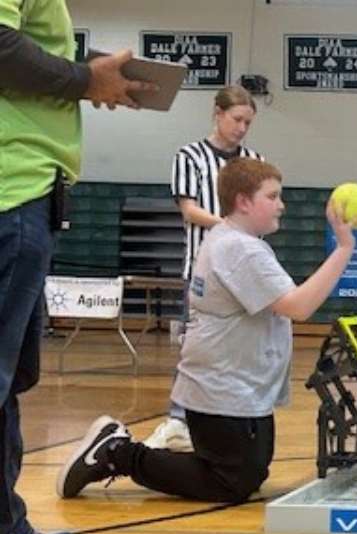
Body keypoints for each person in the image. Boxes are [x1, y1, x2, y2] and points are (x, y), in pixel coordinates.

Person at [58, 158, 356, 503]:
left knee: (248, 474)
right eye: (272, 197)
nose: (282, 205)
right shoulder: (239, 249)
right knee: (231, 484)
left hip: (233, 389)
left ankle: (128, 451)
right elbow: (299, 306)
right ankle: (116, 453)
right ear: (244, 201)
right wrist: (345, 247)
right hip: (224, 391)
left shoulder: (233, 240)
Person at [0, 0, 152, 534]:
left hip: (25, 193)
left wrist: (87, 76)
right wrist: (86, 78)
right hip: (11, 194)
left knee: (9, 382)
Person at [146, 85, 264, 453]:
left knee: (242, 350)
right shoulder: (190, 156)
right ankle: (178, 420)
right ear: (217, 113)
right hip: (203, 269)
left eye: (248, 122)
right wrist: (230, 226)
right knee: (196, 349)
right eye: (236, 119)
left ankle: (232, 422)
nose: (242, 128)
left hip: (245, 271)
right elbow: (190, 210)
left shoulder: (253, 160)